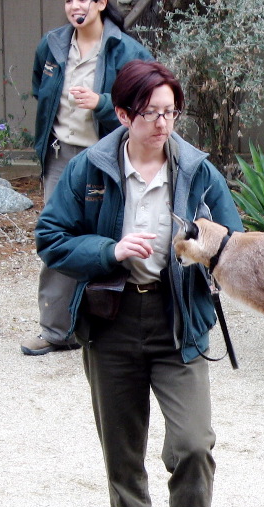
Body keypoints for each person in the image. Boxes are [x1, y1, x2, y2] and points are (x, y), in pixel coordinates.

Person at [36, 59, 244, 507]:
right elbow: (50, 236)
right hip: (112, 324)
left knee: (195, 445)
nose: (163, 123)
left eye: (171, 112)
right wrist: (108, 251)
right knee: (123, 455)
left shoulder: (199, 171)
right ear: (124, 113)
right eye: (151, 113)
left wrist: (203, 250)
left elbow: (235, 241)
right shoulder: (91, 168)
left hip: (179, 323)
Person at [21, 0, 153, 356]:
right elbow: (40, 90)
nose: (75, 5)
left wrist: (102, 103)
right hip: (60, 155)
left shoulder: (128, 50)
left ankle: (114, 323)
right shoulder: (51, 45)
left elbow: (146, 103)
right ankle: (56, 330)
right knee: (59, 237)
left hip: (106, 156)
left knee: (113, 235)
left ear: (100, 3)